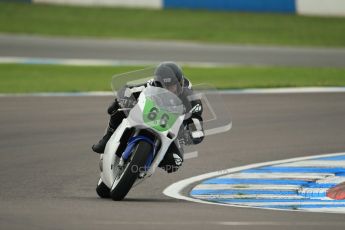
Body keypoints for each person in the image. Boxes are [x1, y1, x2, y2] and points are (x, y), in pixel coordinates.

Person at [92, 62, 204, 173]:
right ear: (157, 83)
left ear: (179, 83)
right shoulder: (150, 84)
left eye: (172, 86)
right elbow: (126, 90)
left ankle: (148, 161)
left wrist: (192, 134)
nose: (168, 90)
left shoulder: (191, 98)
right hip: (148, 114)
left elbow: (196, 120)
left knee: (174, 162)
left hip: (171, 127)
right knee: (117, 107)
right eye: (163, 86)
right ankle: (107, 137)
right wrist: (126, 100)